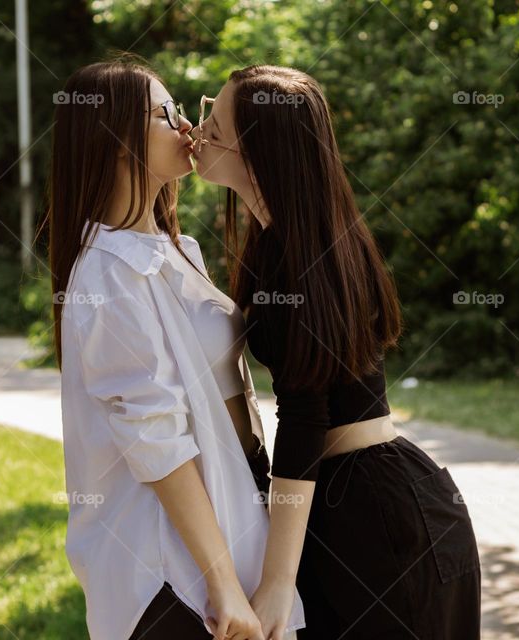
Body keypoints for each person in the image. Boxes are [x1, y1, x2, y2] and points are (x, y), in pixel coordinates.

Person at [191, 65, 482, 639]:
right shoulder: (296, 238)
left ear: (256, 151)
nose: (196, 130)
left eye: (213, 122)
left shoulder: (301, 256)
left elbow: (303, 417)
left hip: (377, 516)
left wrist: (276, 584)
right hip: (383, 501)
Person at [44, 59, 304, 640]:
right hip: (169, 570)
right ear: (113, 138)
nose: (188, 125)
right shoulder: (110, 273)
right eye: (166, 113)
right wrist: (224, 585)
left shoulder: (171, 250)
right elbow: (155, 439)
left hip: (228, 526)